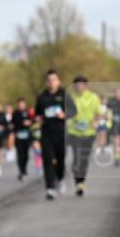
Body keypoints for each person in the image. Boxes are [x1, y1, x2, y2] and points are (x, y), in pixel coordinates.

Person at [34, 69, 75, 200]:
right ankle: (50, 188)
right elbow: (37, 114)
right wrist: (38, 118)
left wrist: (64, 115)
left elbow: (73, 111)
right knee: (47, 160)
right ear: (46, 82)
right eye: (49, 80)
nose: (51, 82)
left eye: (54, 80)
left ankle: (61, 178)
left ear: (58, 81)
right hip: (46, 133)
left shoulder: (64, 95)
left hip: (61, 133)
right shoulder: (42, 97)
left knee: (60, 159)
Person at [66, 75, 102, 198]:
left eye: (81, 84)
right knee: (77, 157)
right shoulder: (70, 97)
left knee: (84, 159)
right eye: (77, 84)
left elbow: (100, 113)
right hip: (74, 133)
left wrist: (95, 121)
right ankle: (78, 180)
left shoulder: (93, 97)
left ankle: (80, 183)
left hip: (88, 133)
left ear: (86, 86)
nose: (79, 87)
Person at [11, 98, 35, 180]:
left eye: (22, 105)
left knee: (26, 155)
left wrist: (30, 122)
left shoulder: (29, 112)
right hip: (18, 136)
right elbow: (12, 123)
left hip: (27, 136)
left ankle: (24, 168)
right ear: (17, 105)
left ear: (25, 105)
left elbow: (34, 120)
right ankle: (21, 170)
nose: (21, 106)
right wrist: (21, 123)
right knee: (20, 154)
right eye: (19, 105)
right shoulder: (15, 113)